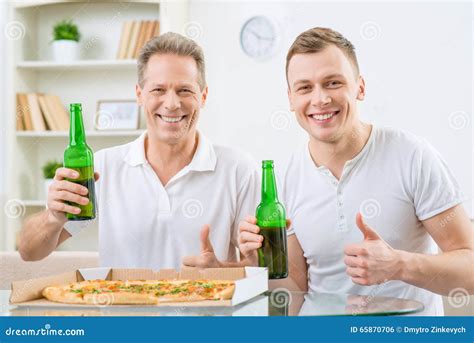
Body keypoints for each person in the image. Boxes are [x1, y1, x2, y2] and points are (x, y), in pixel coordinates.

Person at [209, 27, 473, 315]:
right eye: (305, 87)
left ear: (360, 87)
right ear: (290, 98)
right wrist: (252, 271)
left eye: (333, 83)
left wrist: (400, 265)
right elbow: (295, 290)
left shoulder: (412, 156)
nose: (320, 99)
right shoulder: (284, 180)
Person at [18, 32, 259, 270]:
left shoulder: (238, 169)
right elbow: (29, 252)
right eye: (158, 90)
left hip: (207, 308)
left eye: (185, 90)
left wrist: (224, 270)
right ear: (139, 95)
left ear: (203, 96)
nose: (172, 104)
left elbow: (264, 266)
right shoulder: (103, 167)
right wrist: (53, 217)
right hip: (123, 308)